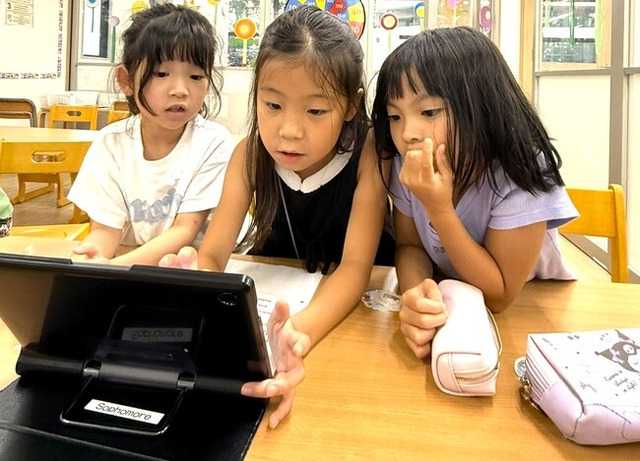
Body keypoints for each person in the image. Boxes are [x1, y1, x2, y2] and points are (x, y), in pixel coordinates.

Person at [160, 6, 395, 428]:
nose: (289, 130)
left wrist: (296, 333)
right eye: (272, 105)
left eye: (315, 111)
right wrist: (198, 280)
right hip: (277, 295)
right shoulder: (249, 153)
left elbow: (355, 268)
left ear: (351, 104)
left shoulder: (368, 154)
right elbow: (213, 254)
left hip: (352, 316)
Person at [371, 26, 578, 360]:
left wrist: (438, 208)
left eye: (428, 112)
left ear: (481, 106)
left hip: (531, 304)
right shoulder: (405, 163)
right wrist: (415, 294)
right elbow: (410, 246)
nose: (407, 133)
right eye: (395, 116)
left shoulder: (521, 170)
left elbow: (499, 296)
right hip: (454, 300)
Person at [68, 3, 235, 266]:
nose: (180, 90)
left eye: (195, 76)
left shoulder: (213, 142)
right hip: (139, 267)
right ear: (126, 81)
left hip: (200, 269)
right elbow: (106, 230)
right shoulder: (110, 144)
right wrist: (95, 254)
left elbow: (186, 229)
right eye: (161, 73)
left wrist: (117, 267)